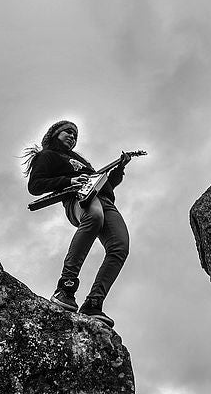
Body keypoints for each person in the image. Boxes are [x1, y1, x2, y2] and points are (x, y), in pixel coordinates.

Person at [23, 120, 131, 327]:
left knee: (120, 246)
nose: (72, 136)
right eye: (68, 132)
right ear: (55, 134)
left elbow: (107, 185)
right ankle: (66, 287)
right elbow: (35, 185)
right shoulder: (47, 156)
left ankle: (93, 303)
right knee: (95, 217)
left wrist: (119, 169)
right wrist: (68, 181)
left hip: (104, 200)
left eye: (75, 135)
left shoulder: (82, 163)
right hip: (77, 200)